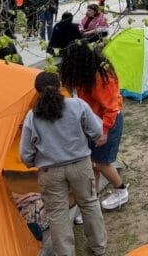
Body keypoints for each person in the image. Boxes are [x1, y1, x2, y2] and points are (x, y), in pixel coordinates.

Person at [19, 71, 107, 256]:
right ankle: (99, 247)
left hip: (50, 171)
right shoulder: (77, 105)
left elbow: (25, 154)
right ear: (60, 86)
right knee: (90, 204)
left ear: (37, 91)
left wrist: (37, 162)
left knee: (57, 215)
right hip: (81, 165)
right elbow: (98, 131)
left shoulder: (32, 117)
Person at [59, 42, 128, 211]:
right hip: (92, 123)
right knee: (91, 164)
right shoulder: (86, 74)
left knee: (101, 163)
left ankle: (121, 191)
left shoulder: (100, 77)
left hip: (106, 123)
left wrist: (104, 131)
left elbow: (112, 108)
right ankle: (92, 201)